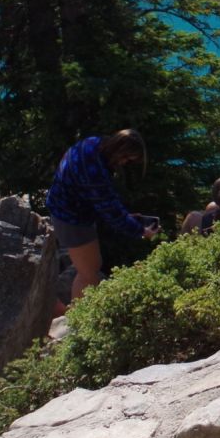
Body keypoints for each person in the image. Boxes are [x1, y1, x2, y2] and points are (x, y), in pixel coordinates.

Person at [45, 128, 159, 307]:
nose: (124, 163)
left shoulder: (92, 143)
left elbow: (102, 200)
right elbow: (109, 209)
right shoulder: (95, 171)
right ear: (120, 151)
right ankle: (78, 321)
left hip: (66, 208)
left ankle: (77, 317)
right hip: (71, 218)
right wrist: (140, 230)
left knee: (91, 267)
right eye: (127, 159)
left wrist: (127, 217)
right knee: (89, 273)